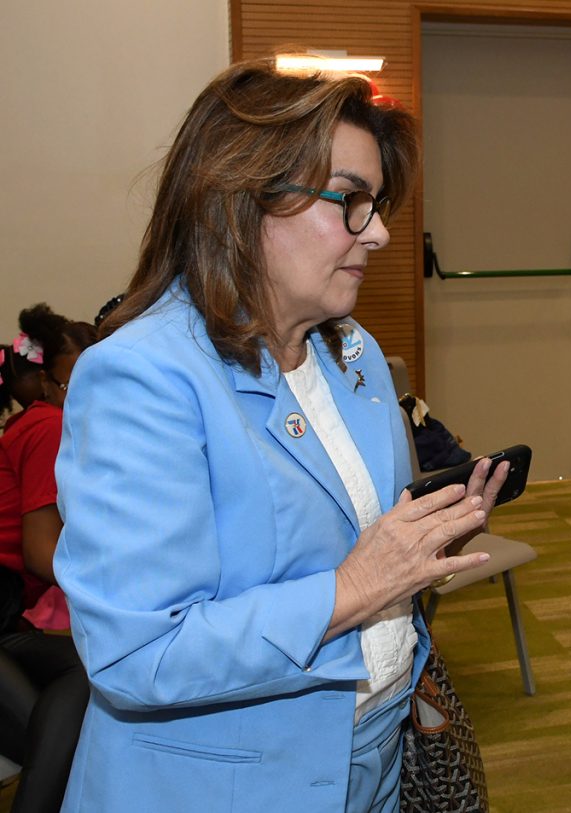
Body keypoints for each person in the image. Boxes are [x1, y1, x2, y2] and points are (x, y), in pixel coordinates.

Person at [53, 58, 507, 813]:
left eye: (379, 202)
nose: (383, 233)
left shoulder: (352, 351)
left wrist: (425, 543)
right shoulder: (141, 376)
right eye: (352, 202)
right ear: (241, 199)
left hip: (372, 757)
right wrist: (357, 586)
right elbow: (138, 655)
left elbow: (351, 545)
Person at [1, 304, 94, 813]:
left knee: (77, 694)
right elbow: (40, 553)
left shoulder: (29, 423)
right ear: (46, 384)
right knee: (62, 745)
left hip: (9, 611)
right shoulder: (48, 428)